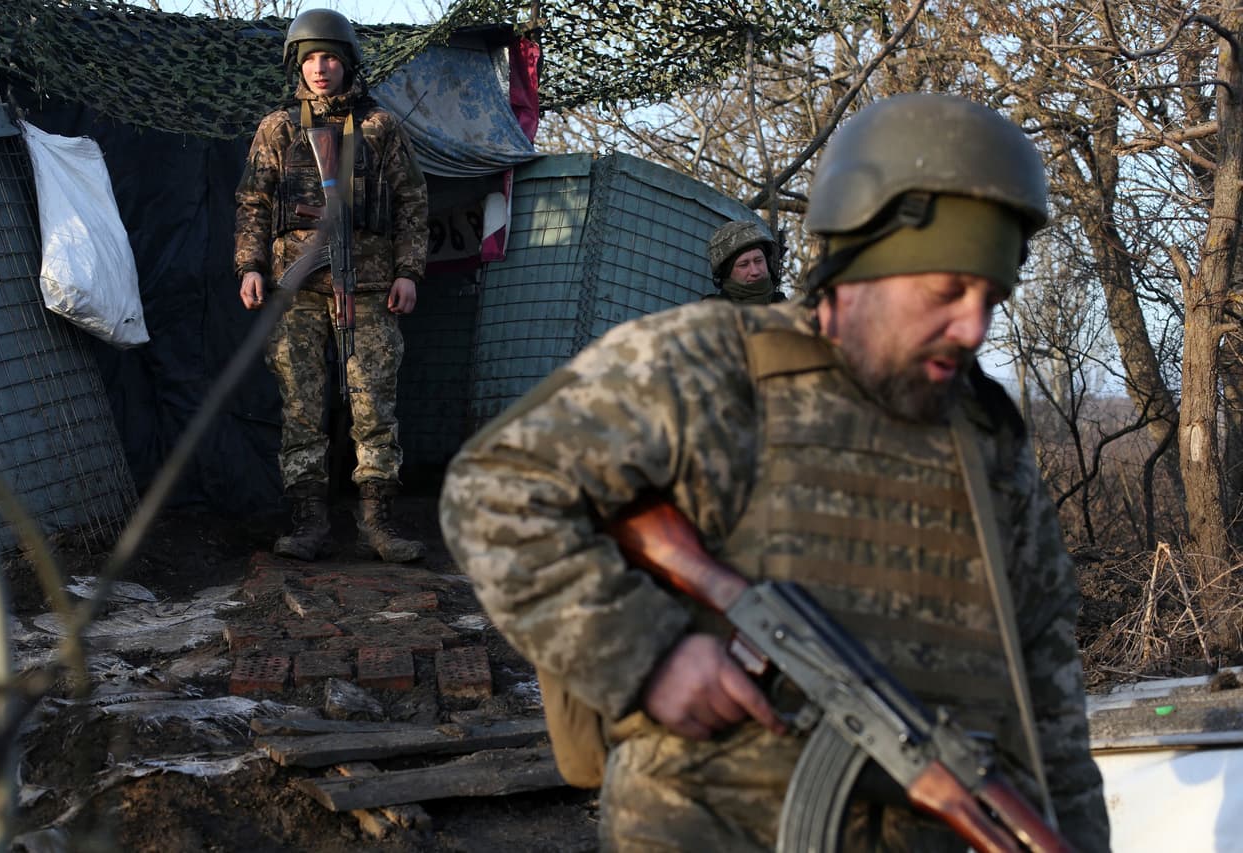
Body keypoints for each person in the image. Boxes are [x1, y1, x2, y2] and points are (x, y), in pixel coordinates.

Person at [439, 92, 1110, 852]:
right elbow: (495, 486)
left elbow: (1049, 697)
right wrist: (646, 651)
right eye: (946, 291)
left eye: (991, 299)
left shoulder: (989, 446)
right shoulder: (711, 364)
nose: (973, 327)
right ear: (860, 267)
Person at [235, 8, 429, 563]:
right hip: (296, 287)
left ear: (348, 64)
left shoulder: (380, 127)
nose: (320, 69)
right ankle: (308, 521)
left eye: (331, 58)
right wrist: (249, 266)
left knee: (373, 403)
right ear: (298, 64)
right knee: (301, 403)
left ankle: (378, 522)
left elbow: (413, 202)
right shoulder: (278, 128)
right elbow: (253, 202)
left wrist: (408, 272)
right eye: (311, 58)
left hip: (368, 283)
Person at [703, 219, 787, 304]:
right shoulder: (712, 312)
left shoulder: (789, 311)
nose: (755, 271)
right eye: (744, 265)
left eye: (758, 261)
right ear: (727, 273)